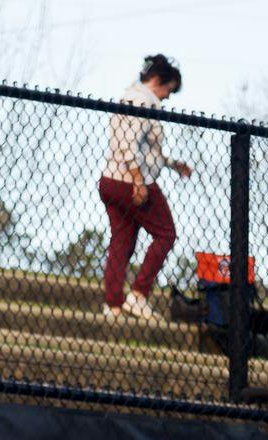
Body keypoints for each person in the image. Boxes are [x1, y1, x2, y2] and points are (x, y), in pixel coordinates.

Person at [100, 53, 192, 321]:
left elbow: (145, 149)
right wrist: (138, 181)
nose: (167, 97)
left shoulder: (132, 96)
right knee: (166, 234)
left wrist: (172, 164)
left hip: (112, 179)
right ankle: (138, 295)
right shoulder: (143, 100)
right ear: (157, 80)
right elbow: (128, 143)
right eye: (169, 90)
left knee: (122, 242)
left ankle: (113, 305)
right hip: (131, 181)